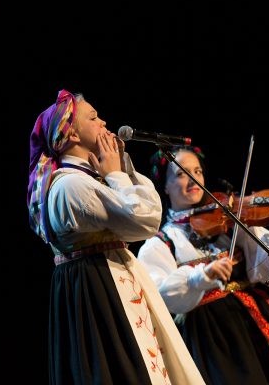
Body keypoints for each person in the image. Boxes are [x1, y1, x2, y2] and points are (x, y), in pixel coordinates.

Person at [27, 89, 206, 385]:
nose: (104, 122)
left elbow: (144, 215)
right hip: (99, 290)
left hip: (111, 278)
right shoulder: (70, 186)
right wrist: (118, 174)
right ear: (70, 134)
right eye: (94, 117)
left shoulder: (88, 177)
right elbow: (144, 220)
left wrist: (118, 170)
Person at [137, 145, 269, 385]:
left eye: (197, 171)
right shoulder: (161, 243)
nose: (193, 178)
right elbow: (161, 297)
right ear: (165, 186)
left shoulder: (230, 220)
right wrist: (199, 277)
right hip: (213, 337)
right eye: (181, 173)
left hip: (258, 320)